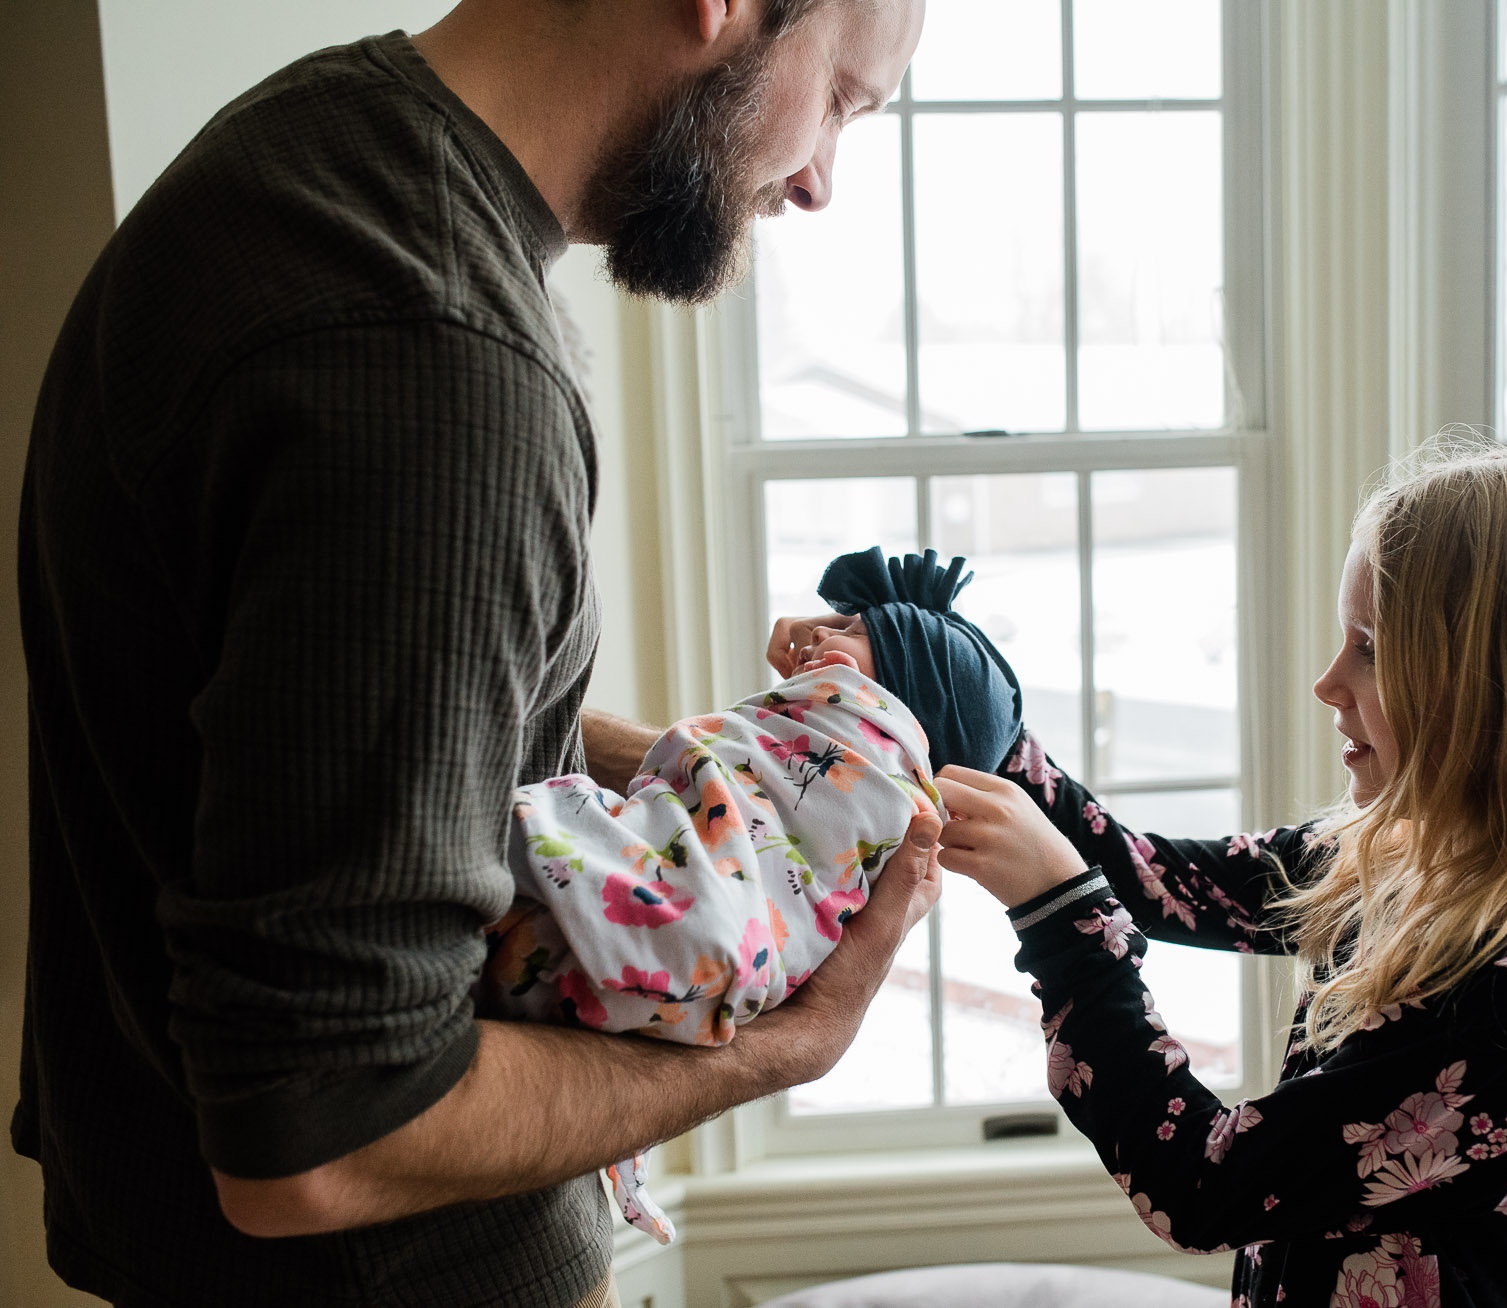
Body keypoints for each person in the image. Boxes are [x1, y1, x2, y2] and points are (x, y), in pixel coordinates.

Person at [14, 1, 925, 1304]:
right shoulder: (437, 359)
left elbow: (331, 730)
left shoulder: (310, 154)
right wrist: (792, 1045)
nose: (821, 179)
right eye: (842, 97)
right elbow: (319, 1135)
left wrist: (707, 767)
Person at [910, 443, 1507, 1307]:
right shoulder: (1399, 856)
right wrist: (962, 693)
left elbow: (1201, 1184)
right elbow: (1153, 881)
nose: (1327, 682)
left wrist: (1059, 913)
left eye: (1370, 648)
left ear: (1502, 685)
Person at [486, 549, 1021, 1244]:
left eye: (850, 631)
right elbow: (771, 801)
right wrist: (846, 650)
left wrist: (829, 669)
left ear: (871, 679)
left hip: (672, 924)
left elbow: (742, 776)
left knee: (552, 828)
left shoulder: (862, 740)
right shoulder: (881, 778)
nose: (819, 641)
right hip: (684, 999)